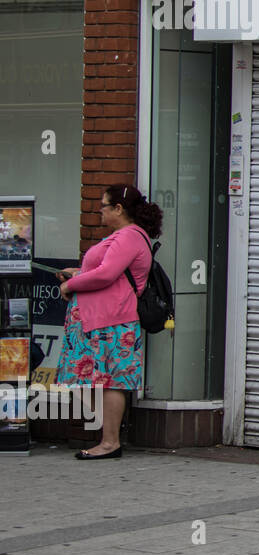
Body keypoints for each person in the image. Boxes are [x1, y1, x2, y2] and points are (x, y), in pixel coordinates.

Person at [54, 184, 162, 460]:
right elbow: (105, 271)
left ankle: (110, 441)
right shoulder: (122, 237)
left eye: (103, 205)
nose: (99, 210)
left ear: (118, 209)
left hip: (112, 321)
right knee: (87, 380)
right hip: (97, 319)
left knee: (110, 381)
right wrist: (78, 272)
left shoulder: (129, 237)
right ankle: (110, 433)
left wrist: (71, 285)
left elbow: (107, 275)